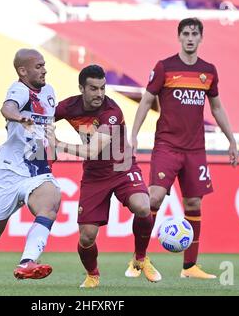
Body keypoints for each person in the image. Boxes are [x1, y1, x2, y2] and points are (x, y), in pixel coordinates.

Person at [126, 17, 238, 279]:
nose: (190, 37)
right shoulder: (165, 67)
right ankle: (138, 259)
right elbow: (146, 101)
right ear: (179, 37)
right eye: (186, 33)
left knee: (193, 202)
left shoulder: (208, 71)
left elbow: (217, 107)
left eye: (194, 33)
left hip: (196, 149)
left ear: (201, 38)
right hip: (167, 145)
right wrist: (134, 134)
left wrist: (231, 139)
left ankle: (190, 267)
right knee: (152, 198)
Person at [47, 65, 160, 288]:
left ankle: (140, 257)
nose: (99, 94)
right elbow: (43, 118)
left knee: (144, 206)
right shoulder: (69, 106)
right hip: (94, 175)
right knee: (87, 236)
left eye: (103, 88)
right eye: (93, 89)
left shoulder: (111, 112)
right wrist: (29, 126)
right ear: (81, 88)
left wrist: (57, 144)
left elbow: (92, 151)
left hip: (122, 167)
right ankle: (92, 275)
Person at [0, 48, 61, 280]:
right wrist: (20, 117)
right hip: (10, 171)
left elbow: (45, 125)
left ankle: (27, 262)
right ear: (23, 71)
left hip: (38, 168)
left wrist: (52, 145)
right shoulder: (19, 89)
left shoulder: (49, 92)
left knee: (50, 202)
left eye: (44, 65)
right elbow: (7, 108)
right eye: (38, 66)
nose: (44, 70)